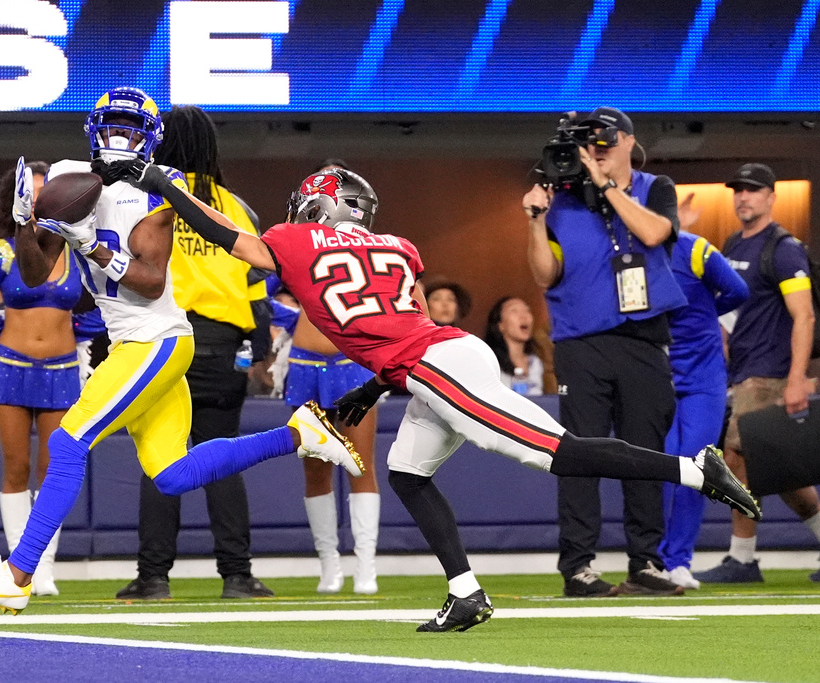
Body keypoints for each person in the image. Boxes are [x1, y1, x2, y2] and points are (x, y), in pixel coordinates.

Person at [133, 162, 760, 632]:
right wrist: (369, 386)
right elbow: (396, 328)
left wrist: (161, 183)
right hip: (438, 356)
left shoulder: (293, 241)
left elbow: (225, 235)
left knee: (556, 452)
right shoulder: (397, 247)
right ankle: (465, 593)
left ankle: (692, 468)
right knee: (407, 472)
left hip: (438, 367)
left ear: (319, 209)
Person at [0, 87, 362, 614]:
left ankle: (18, 577)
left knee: (68, 445)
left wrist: (87, 243)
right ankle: (299, 433)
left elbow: (148, 280)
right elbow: (32, 271)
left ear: (151, 138)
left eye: (130, 128)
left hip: (155, 341)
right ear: (93, 129)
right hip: (134, 341)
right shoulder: (72, 174)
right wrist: (29, 223)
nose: (119, 137)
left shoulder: (162, 189)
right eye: (111, 126)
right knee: (173, 473)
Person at [524, 107, 687, 597]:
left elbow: (655, 234)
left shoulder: (655, 187)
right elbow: (543, 275)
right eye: (588, 143)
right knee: (580, 453)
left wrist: (607, 185)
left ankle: (646, 562)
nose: (596, 149)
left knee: (645, 452)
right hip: (580, 340)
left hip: (642, 338)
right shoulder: (562, 198)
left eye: (605, 141)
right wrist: (535, 221)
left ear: (628, 142)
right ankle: (578, 566)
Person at [114, 105, 274, 602]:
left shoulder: (147, 199)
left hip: (163, 339)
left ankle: (154, 577)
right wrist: (262, 354)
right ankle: (238, 575)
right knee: (221, 456)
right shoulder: (234, 207)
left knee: (160, 457)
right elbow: (257, 289)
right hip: (225, 348)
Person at [0, 159, 107, 596]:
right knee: (17, 467)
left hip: (63, 372)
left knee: (54, 467)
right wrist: (4, 330)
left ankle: (44, 570)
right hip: (10, 370)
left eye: (46, 193)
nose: (39, 202)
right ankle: (20, 567)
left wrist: (73, 330)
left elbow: (106, 308)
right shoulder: (4, 253)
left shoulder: (77, 254)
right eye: (31, 194)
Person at [694, 163, 820, 584]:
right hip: (743, 372)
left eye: (752, 190)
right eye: (738, 190)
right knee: (781, 471)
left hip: (771, 374)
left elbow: (803, 316)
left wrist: (799, 377)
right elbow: (730, 312)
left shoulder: (783, 248)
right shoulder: (733, 243)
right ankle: (744, 559)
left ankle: (742, 558)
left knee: (738, 460)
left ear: (771, 196)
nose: (743, 197)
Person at [276, 160, 381, 595]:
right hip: (303, 361)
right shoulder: (296, 241)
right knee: (316, 468)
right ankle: (329, 565)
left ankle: (366, 568)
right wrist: (283, 320)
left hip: (351, 360)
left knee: (360, 464)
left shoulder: (370, 243)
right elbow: (263, 287)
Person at [658, 208, 750, 589]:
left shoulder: (694, 249)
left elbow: (739, 291)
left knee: (695, 466)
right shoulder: (625, 257)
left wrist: (704, 316)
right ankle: (651, 560)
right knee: (659, 469)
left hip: (702, 375)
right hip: (654, 374)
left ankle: (677, 561)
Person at [484, 296, 544, 395]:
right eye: (514, 311)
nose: (524, 316)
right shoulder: (490, 363)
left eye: (527, 310)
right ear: (500, 325)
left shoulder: (538, 362)